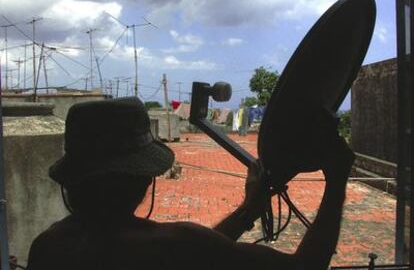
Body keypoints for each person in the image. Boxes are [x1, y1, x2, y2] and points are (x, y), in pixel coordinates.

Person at [27, 97, 354, 270]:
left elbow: (198, 256)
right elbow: (305, 267)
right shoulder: (177, 244)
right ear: (144, 179)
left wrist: (247, 210)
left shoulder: (48, 247)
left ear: (72, 179)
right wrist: (337, 177)